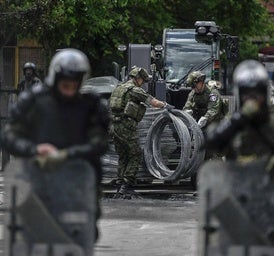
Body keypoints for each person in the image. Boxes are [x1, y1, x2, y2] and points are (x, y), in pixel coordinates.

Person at [1, 48, 109, 241]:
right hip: (38, 175)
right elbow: (9, 136)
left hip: (78, 179)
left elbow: (100, 141)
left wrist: (68, 154)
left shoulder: (91, 105)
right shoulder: (34, 100)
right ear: (55, 78)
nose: (69, 89)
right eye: (65, 84)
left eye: (74, 84)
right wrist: (34, 150)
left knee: (86, 232)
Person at [205, 60, 274, 173]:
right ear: (239, 95)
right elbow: (211, 142)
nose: (252, 99)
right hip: (236, 185)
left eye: (257, 94)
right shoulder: (232, 123)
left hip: (270, 185)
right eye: (246, 94)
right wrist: (237, 121)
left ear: (265, 94)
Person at [109, 66, 169, 199]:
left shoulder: (119, 88)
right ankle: (127, 186)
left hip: (115, 126)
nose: (143, 83)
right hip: (127, 127)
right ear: (138, 79)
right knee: (135, 155)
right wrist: (165, 105)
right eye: (143, 80)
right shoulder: (135, 90)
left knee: (123, 156)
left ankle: (120, 187)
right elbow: (152, 101)